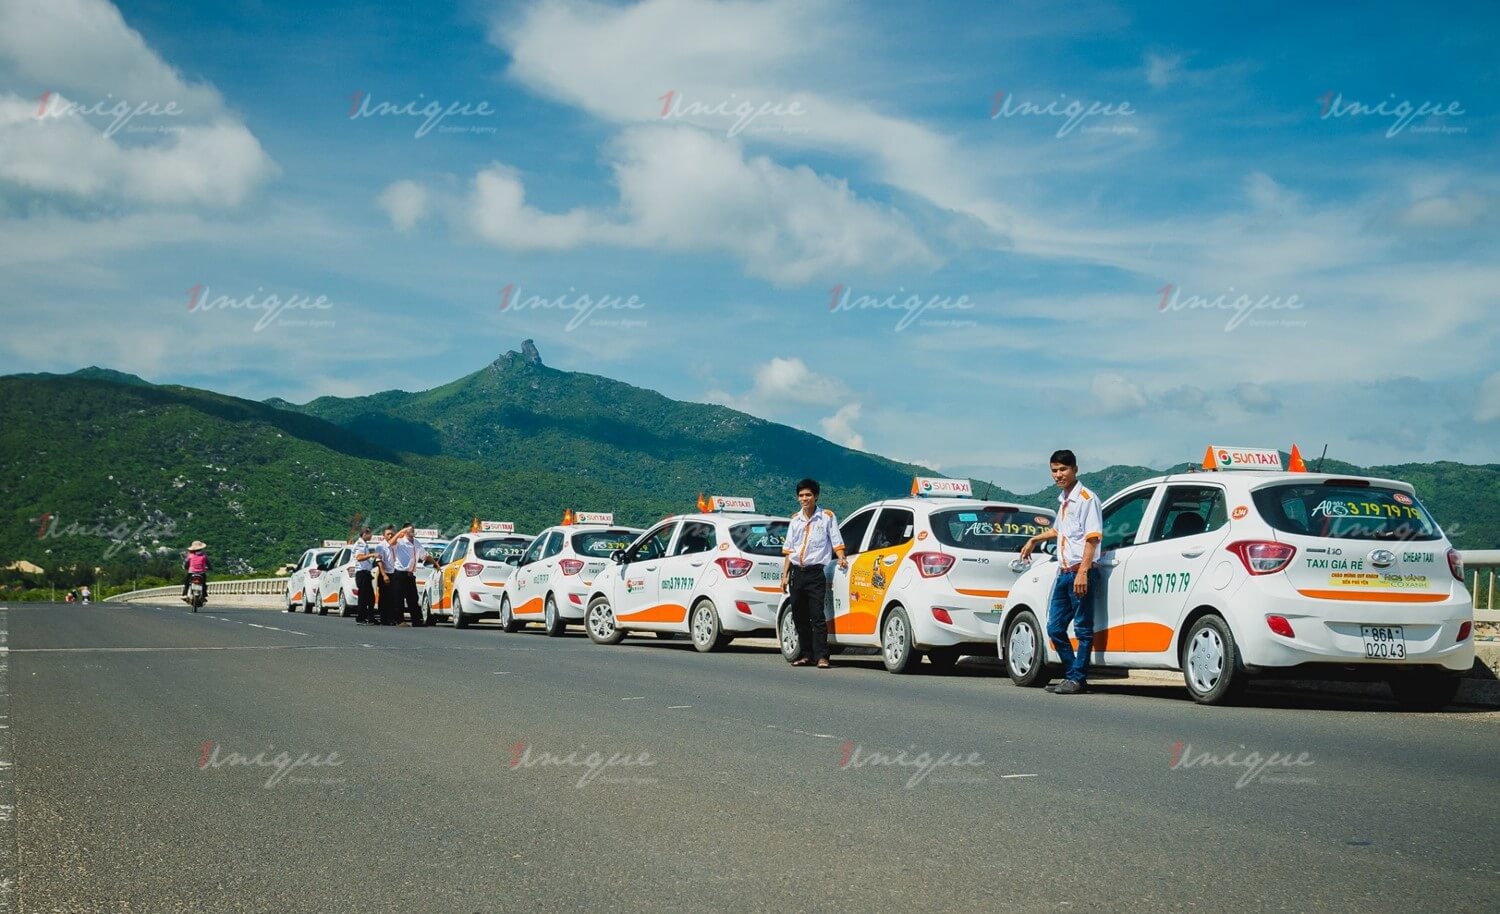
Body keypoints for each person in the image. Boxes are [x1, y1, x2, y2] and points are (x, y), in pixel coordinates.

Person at [1019, 449, 1103, 695]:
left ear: (1075, 469)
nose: (1058, 475)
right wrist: (1035, 539)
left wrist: (1083, 572)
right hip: (1064, 571)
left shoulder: (1087, 499)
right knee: (1054, 627)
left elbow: (1093, 538)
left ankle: (1076, 678)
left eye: (1063, 470)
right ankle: (1073, 675)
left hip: (1080, 570)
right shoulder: (1064, 500)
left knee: (1083, 628)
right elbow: (1059, 531)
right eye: (1054, 470)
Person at [781, 478, 847, 669]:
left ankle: (822, 656)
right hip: (796, 573)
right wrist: (784, 575)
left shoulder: (826, 517)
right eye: (801, 495)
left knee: (817, 615)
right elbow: (789, 550)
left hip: (815, 573)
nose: (804, 498)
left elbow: (836, 541)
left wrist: (841, 557)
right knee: (799, 615)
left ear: (816, 496)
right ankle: (805, 654)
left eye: (808, 495)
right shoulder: (795, 520)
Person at [389, 524, 437, 627]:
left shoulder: (416, 542)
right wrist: (400, 533)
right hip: (400, 573)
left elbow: (425, 555)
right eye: (410, 530)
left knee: (413, 598)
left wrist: (435, 563)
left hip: (410, 574)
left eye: (413, 529)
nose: (413, 531)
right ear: (405, 531)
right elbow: (390, 543)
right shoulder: (400, 542)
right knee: (399, 598)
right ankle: (400, 621)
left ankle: (416, 620)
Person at [352, 527, 379, 625]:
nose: (371, 536)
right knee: (363, 597)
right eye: (369, 534)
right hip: (361, 573)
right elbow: (359, 558)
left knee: (370, 597)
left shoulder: (365, 545)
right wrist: (371, 555)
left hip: (366, 573)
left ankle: (370, 617)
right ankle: (361, 618)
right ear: (364, 534)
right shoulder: (360, 545)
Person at [373, 526, 398, 625]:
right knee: (384, 597)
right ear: (384, 535)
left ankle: (391, 618)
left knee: (393, 597)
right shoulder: (380, 546)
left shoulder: (395, 546)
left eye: (391, 533)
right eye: (388, 534)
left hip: (394, 574)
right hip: (385, 574)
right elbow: (379, 562)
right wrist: (384, 575)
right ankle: (384, 618)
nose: (390, 535)